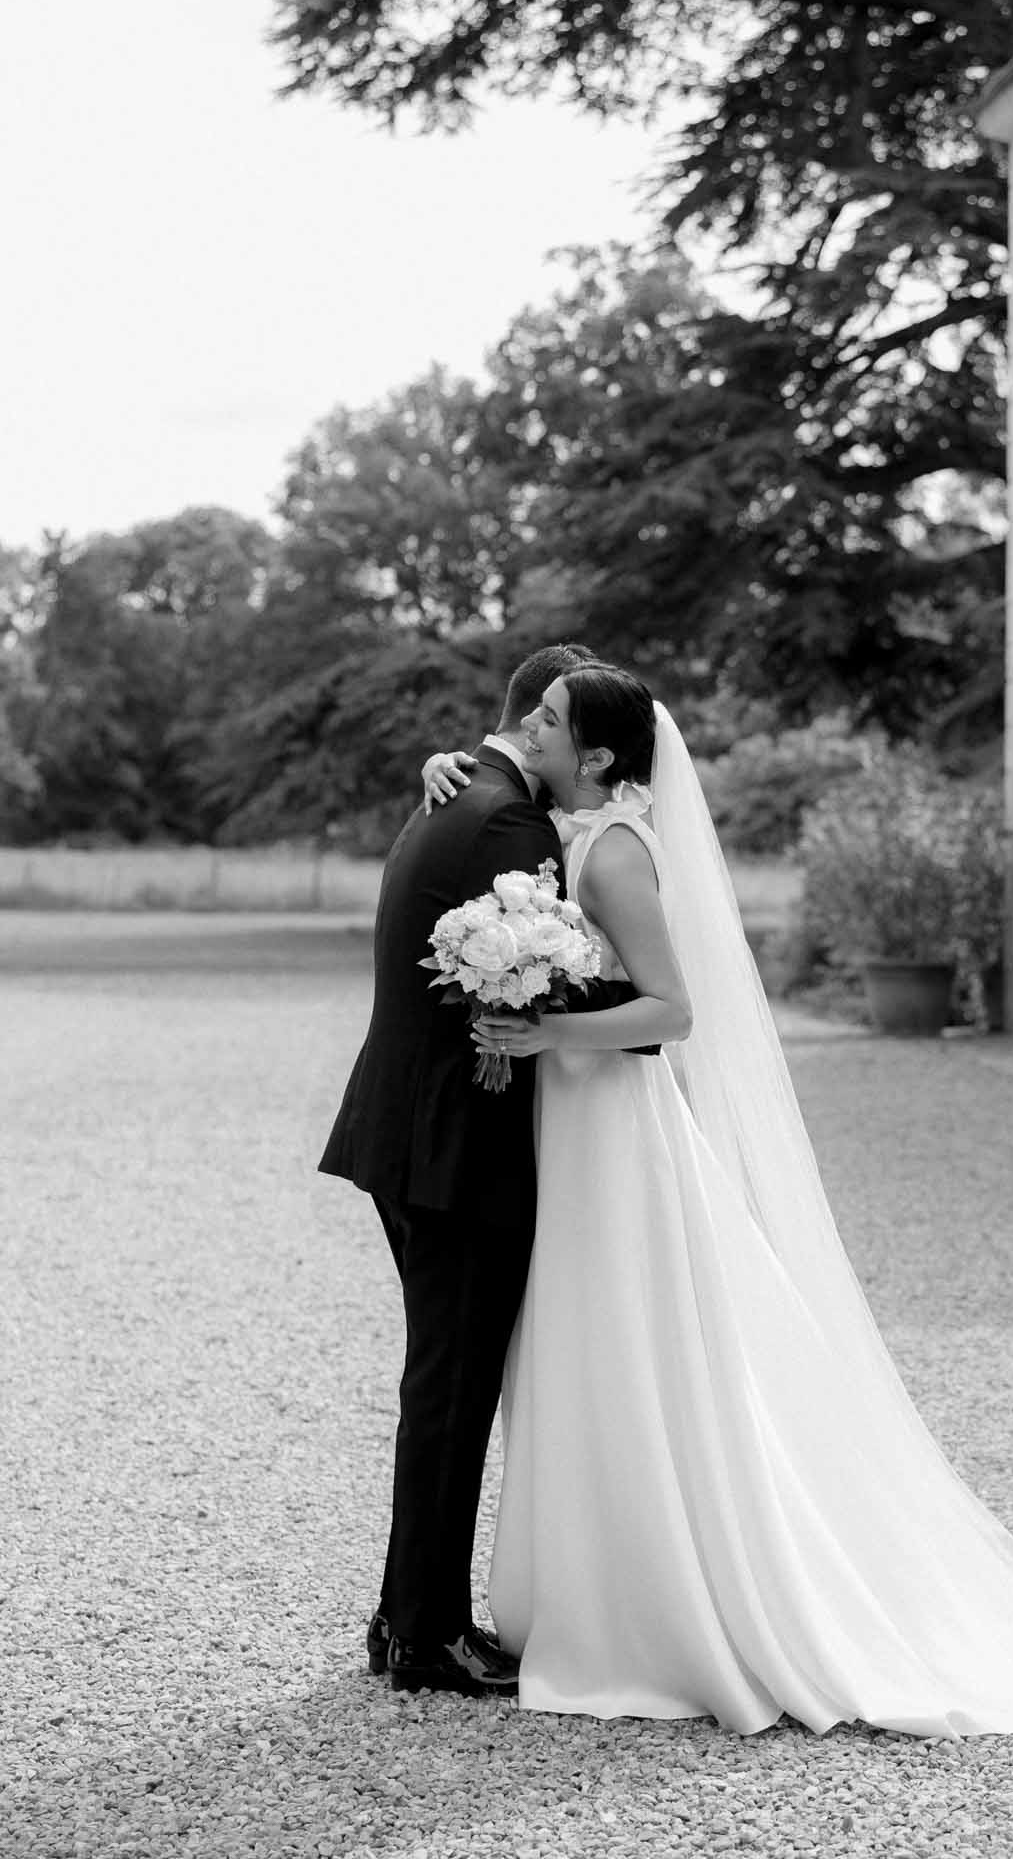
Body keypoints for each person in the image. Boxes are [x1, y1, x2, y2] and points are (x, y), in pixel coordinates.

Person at [420, 663, 1013, 1752]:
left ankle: (663, 1602)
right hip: (580, 1127)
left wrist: (545, 1031)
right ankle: (599, 1581)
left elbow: (673, 1011)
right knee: (592, 1343)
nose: (530, 728)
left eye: (552, 720)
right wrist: (448, 778)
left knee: (629, 1342)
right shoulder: (572, 829)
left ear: (606, 755)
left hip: (617, 1126)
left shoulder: (615, 849)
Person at [318, 642, 595, 1697]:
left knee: (444, 1376)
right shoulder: (507, 818)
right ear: (535, 722)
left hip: (404, 1127)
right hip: (452, 1144)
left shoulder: (455, 793)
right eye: (565, 723)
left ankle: (408, 1616)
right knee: (451, 1382)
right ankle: (423, 1632)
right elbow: (555, 979)